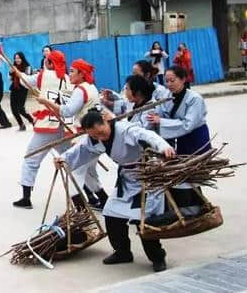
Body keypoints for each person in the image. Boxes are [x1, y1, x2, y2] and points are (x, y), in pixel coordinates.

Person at [56, 111, 175, 272]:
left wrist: (164, 146)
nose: (100, 138)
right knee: (111, 213)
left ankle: (157, 257)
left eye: (101, 133)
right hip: (127, 178)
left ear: (105, 121)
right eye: (95, 136)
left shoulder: (126, 130)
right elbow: (82, 149)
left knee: (144, 218)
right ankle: (122, 252)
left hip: (147, 175)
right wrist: (64, 158)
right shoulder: (94, 138)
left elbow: (148, 135)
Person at [34, 59, 109, 209]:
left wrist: (46, 102)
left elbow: (67, 111)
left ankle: (82, 212)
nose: (70, 74)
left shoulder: (81, 90)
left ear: (82, 74)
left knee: (74, 173)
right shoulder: (91, 87)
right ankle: (104, 201)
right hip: (94, 136)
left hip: (87, 137)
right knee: (89, 172)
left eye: (73, 71)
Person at [13, 50, 71, 208]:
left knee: (31, 160)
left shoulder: (44, 75)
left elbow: (26, 81)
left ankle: (26, 198)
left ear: (51, 63)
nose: (44, 62)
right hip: (64, 127)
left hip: (47, 126)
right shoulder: (69, 79)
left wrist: (17, 72)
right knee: (72, 161)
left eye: (47, 60)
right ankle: (94, 196)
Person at [146, 65, 210, 156]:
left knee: (199, 164)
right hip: (181, 137)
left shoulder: (194, 98)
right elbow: (162, 112)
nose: (169, 84)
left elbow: (188, 125)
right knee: (184, 165)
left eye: (172, 81)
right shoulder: (167, 96)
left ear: (183, 80)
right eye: (166, 81)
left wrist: (161, 121)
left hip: (196, 136)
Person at [104, 60, 170, 115]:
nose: (133, 77)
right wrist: (111, 103)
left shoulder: (161, 91)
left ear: (147, 75)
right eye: (132, 74)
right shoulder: (129, 86)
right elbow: (125, 104)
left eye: (136, 74)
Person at [8, 52, 34, 131]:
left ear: (22, 58)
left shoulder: (27, 67)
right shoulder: (13, 67)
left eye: (18, 58)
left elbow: (27, 77)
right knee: (13, 109)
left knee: (20, 109)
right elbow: (9, 79)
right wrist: (10, 72)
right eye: (15, 58)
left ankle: (32, 120)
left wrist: (18, 72)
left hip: (22, 89)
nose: (17, 60)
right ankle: (21, 124)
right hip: (14, 89)